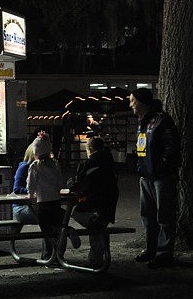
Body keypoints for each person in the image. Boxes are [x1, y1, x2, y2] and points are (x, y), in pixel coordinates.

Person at [129, 88, 180, 269]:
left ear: (141, 102)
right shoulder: (144, 121)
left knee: (164, 214)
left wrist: (160, 168)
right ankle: (152, 250)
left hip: (160, 176)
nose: (130, 105)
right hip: (147, 175)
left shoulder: (161, 120)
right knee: (148, 215)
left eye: (132, 101)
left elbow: (171, 147)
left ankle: (163, 253)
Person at [67, 136, 120, 267]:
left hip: (93, 206)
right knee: (99, 227)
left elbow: (79, 186)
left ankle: (96, 260)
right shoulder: (110, 163)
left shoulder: (89, 164)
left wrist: (71, 184)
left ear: (89, 149)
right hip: (108, 207)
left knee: (79, 216)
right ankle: (99, 258)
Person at [26, 131, 78, 263]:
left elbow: (30, 184)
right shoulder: (54, 164)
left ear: (36, 150)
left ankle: (52, 255)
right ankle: (67, 230)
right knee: (56, 225)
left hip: (43, 202)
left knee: (46, 230)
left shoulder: (35, 166)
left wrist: (31, 195)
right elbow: (60, 183)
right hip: (55, 201)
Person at [12, 144, 52, 260]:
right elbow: (17, 188)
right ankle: (49, 255)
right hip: (22, 207)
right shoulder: (25, 167)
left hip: (37, 204)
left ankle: (50, 255)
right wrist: (36, 191)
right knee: (49, 218)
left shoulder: (42, 167)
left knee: (49, 217)